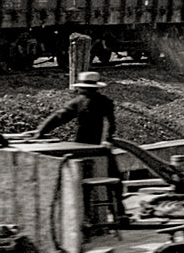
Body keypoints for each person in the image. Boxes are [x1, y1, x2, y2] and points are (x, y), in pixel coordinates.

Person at [30, 70, 126, 222]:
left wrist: (40, 131)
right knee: (115, 178)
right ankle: (119, 212)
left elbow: (59, 117)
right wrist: (106, 140)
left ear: (82, 88)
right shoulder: (105, 102)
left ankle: (87, 214)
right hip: (99, 147)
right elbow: (110, 124)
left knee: (84, 180)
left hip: (82, 146)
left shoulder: (78, 102)